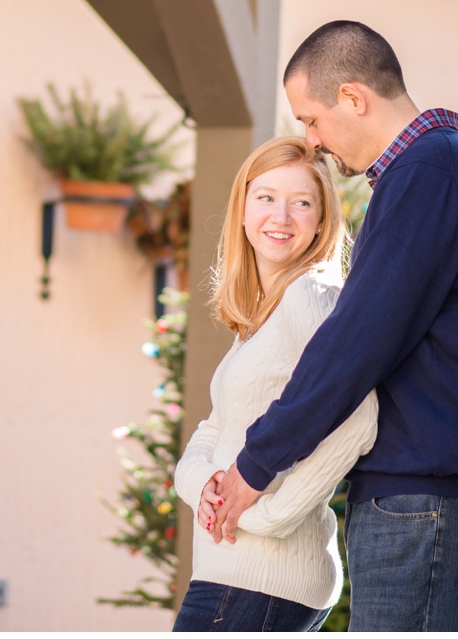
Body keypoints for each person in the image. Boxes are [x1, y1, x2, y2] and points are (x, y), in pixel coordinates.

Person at [204, 20, 458, 631]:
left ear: (353, 98)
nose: (313, 140)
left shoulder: (428, 175)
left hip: (431, 504)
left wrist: (254, 466)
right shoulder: (429, 174)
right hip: (428, 499)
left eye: (311, 119)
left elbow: (356, 344)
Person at [172, 136, 378, 632]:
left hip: (263, 575)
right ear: (242, 209)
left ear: (322, 219)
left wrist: (273, 516)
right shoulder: (257, 319)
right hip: (234, 571)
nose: (280, 217)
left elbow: (360, 418)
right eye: (265, 197)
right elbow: (214, 430)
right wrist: (200, 483)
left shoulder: (311, 295)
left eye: (301, 202)